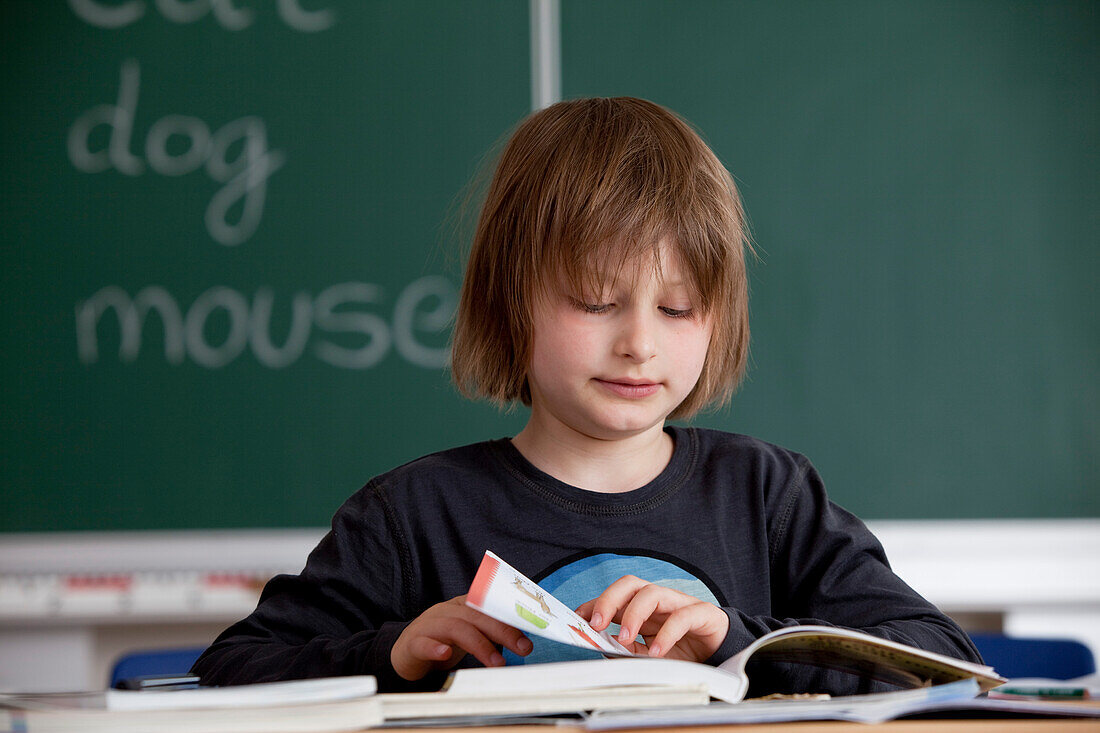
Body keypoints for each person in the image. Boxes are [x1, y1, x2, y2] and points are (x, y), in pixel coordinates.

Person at [191, 97, 981, 695]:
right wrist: (391, 652)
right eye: (595, 301)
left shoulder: (766, 496)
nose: (639, 342)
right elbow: (229, 670)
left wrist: (736, 638)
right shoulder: (413, 514)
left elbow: (946, 660)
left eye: (676, 309)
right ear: (510, 303)